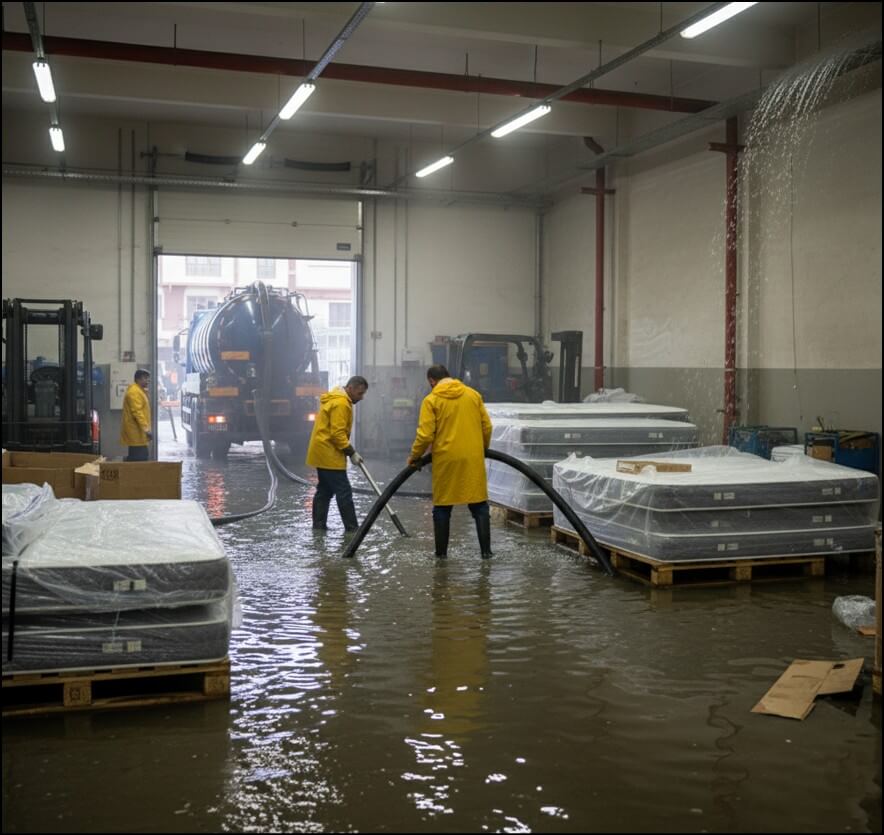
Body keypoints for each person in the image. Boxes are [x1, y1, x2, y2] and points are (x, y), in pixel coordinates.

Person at [408, 364, 493, 558]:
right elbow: (487, 426)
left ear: (432, 381)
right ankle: (486, 553)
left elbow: (425, 435)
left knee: (443, 507)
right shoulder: (473, 395)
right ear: (449, 376)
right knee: (479, 505)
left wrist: (414, 457)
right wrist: (483, 449)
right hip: (472, 458)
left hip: (446, 460)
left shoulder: (431, 400)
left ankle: (441, 556)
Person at [306, 375, 369, 532]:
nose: (361, 397)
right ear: (351, 388)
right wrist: (351, 452)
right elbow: (337, 434)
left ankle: (318, 527)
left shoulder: (336, 399)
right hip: (329, 454)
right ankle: (353, 529)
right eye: (360, 393)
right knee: (344, 492)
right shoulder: (341, 403)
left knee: (324, 491)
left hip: (322, 452)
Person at [120, 368, 152, 461]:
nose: (147, 380)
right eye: (145, 378)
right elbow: (137, 412)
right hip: (136, 432)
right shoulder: (134, 392)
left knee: (139, 458)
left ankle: (127, 462)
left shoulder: (139, 391)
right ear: (138, 379)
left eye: (148, 378)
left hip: (139, 433)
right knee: (140, 459)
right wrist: (146, 429)